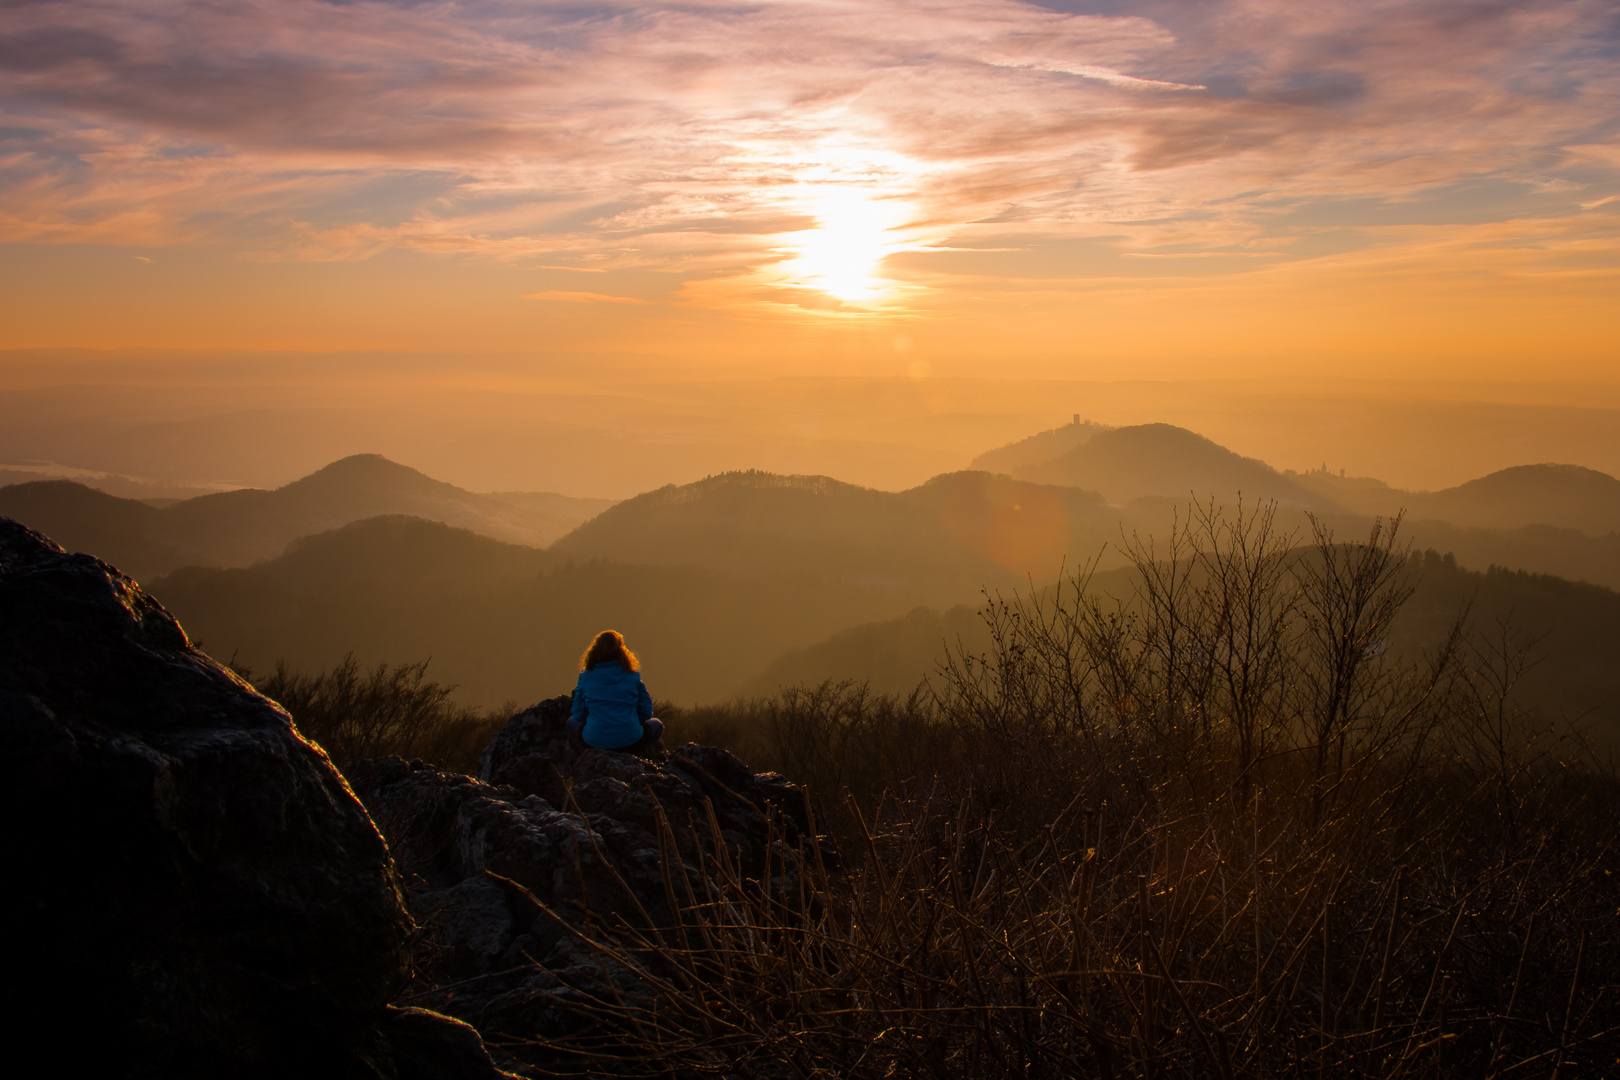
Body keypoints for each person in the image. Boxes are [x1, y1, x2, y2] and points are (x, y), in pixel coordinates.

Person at [567, 630, 665, 754]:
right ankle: (639, 753)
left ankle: (585, 755)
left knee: (571, 722)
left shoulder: (586, 677)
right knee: (657, 725)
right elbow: (646, 712)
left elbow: (578, 714)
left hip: (594, 742)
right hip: (631, 741)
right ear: (622, 652)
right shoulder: (632, 676)